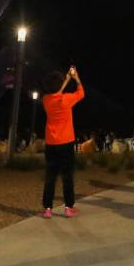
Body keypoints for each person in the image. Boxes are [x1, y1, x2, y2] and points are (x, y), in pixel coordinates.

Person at [40, 66, 85, 219]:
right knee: (67, 176)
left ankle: (47, 208)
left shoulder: (46, 100)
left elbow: (56, 92)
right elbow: (81, 92)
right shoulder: (66, 99)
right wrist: (76, 78)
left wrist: (66, 79)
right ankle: (68, 207)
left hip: (51, 143)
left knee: (50, 177)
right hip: (66, 142)